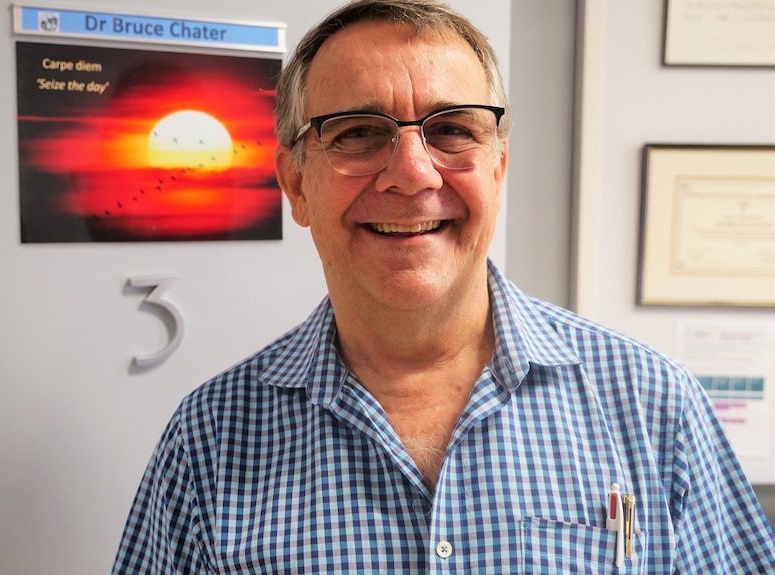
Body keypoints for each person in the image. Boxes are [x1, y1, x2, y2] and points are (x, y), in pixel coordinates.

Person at [112, 0, 775, 572]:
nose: (411, 173)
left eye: (453, 129)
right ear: (295, 182)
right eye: (359, 133)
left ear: (499, 166)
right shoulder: (210, 438)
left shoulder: (652, 404)